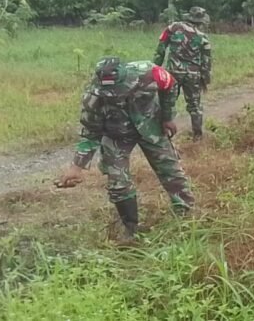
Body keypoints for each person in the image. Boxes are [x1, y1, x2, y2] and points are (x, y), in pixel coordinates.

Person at [55, 57, 195, 242]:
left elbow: (170, 84)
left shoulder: (148, 73)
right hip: (117, 135)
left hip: (150, 125)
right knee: (118, 182)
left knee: (171, 171)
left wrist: (167, 117)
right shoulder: (94, 97)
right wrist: (77, 167)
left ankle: (186, 216)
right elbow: (91, 132)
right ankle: (130, 229)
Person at [154, 6, 212, 140]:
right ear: (201, 21)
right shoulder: (203, 37)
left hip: (172, 73)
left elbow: (160, 49)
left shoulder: (173, 28)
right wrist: (205, 79)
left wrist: (155, 68)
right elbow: (206, 62)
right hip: (193, 74)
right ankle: (197, 136)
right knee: (195, 106)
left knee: (168, 102)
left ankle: (163, 135)